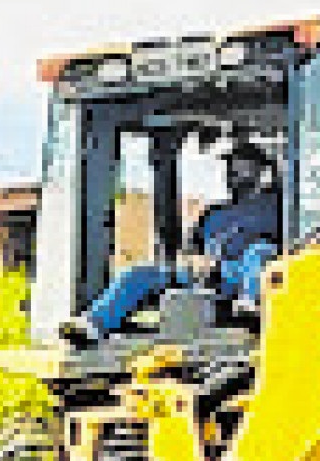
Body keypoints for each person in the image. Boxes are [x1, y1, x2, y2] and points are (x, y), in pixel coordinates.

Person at [60, 141, 282, 347]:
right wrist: (193, 260)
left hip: (246, 272)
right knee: (140, 273)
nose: (234, 174)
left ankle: (251, 306)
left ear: (261, 171)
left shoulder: (276, 205)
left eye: (242, 168)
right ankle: (93, 323)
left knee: (261, 252)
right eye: (231, 168)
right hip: (208, 274)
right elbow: (190, 248)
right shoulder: (214, 213)